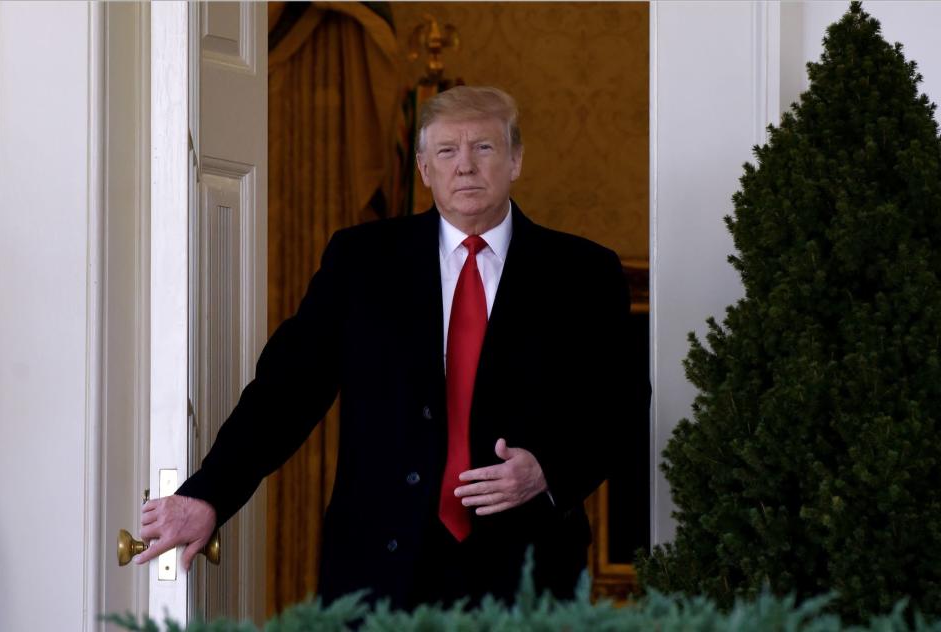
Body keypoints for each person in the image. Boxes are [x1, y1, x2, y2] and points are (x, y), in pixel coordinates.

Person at [135, 85, 650, 610]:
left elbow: (623, 406)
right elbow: (286, 391)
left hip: (530, 572)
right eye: (448, 151)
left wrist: (548, 472)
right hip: (379, 569)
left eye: (485, 148)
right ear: (424, 168)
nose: (466, 166)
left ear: (515, 159)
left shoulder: (584, 272)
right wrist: (208, 494)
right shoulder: (361, 261)